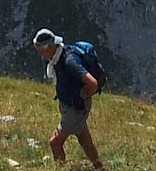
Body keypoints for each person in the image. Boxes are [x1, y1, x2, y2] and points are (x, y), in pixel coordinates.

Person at [34, 28, 104, 170]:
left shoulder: (69, 61)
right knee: (84, 139)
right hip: (71, 106)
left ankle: (60, 168)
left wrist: (86, 93)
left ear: (51, 47)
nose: (40, 54)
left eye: (41, 49)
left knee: (55, 142)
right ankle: (99, 167)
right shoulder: (57, 57)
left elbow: (92, 83)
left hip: (75, 108)